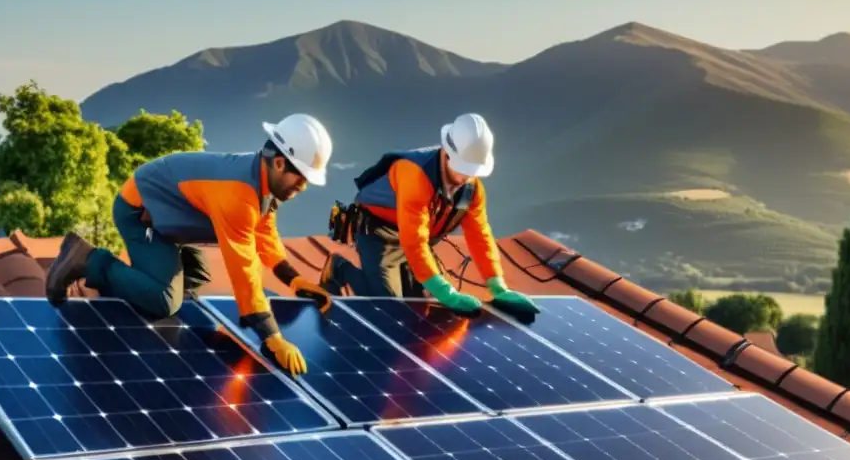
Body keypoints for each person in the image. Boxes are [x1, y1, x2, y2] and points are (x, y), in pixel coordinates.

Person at [44, 114, 335, 377]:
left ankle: (128, 284)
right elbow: (243, 269)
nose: (303, 186)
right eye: (302, 176)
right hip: (141, 215)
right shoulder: (239, 194)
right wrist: (272, 336)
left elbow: (264, 232)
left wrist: (293, 279)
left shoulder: (262, 181)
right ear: (280, 163)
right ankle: (89, 259)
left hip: (171, 219)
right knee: (165, 300)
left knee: (196, 280)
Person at [321, 113, 539, 315]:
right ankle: (340, 269)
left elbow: (479, 235)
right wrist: (445, 291)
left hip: (419, 239)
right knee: (389, 308)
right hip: (380, 234)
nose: (466, 178)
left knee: (427, 307)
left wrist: (496, 285)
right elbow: (413, 242)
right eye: (462, 170)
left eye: (472, 173)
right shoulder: (415, 175)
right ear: (446, 154)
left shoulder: (472, 190)